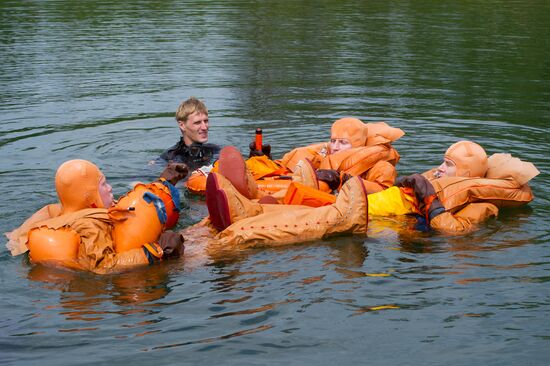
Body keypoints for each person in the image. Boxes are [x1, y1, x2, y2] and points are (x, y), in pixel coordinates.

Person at [183, 140, 537, 255]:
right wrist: (341, 176)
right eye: (441, 163)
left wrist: (431, 200)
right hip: (375, 207)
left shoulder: (480, 202)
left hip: (384, 228)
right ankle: (249, 207)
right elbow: (388, 190)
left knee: (324, 217)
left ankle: (244, 226)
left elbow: (454, 231)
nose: (440, 170)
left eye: (449, 165)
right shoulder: (431, 180)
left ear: (470, 175)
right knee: (313, 201)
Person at [5, 159, 189, 274]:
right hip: (122, 276)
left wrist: (164, 182)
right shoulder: (90, 225)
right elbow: (103, 265)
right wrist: (155, 250)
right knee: (193, 250)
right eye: (103, 184)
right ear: (89, 196)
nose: (110, 188)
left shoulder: (66, 212)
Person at [160, 97, 220, 170]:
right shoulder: (170, 157)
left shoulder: (215, 150)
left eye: (206, 121)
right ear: (182, 125)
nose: (204, 127)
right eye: (197, 123)